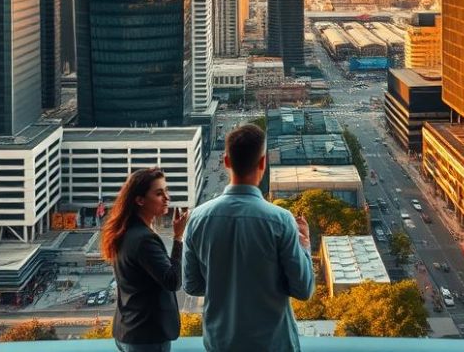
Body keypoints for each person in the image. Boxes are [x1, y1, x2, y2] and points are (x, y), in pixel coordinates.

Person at [184, 124, 314, 351]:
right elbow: (303, 289)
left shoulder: (197, 219)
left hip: (221, 342)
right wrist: (304, 245)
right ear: (263, 163)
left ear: (226, 161)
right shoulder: (281, 220)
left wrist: (225, 283)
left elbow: (192, 285)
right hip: (272, 343)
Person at [101, 168, 189, 352]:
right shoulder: (143, 239)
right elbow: (172, 281)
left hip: (128, 329)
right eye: (159, 193)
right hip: (147, 336)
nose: (167, 198)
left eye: (166, 191)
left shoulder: (125, 231)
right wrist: (178, 237)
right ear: (140, 200)